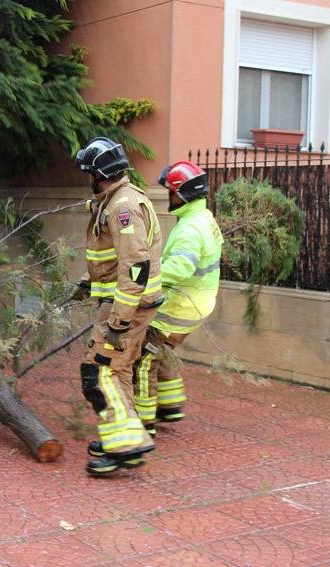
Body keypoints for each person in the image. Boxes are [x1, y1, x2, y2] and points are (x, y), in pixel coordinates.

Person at [71, 137, 164, 476]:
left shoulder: (122, 208)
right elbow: (112, 258)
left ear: (99, 174)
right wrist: (87, 281)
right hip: (128, 302)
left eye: (89, 173)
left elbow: (136, 266)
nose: (87, 179)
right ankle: (127, 439)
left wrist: (118, 321)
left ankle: (125, 446)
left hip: (127, 307)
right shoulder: (116, 200)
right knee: (119, 369)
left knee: (98, 370)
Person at [133, 161, 223, 430]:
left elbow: (181, 268)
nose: (169, 197)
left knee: (145, 357)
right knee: (162, 350)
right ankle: (170, 407)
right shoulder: (204, 218)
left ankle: (142, 423)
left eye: (171, 192)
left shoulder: (189, 228)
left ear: (182, 195)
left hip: (179, 306)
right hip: (199, 302)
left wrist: (144, 278)